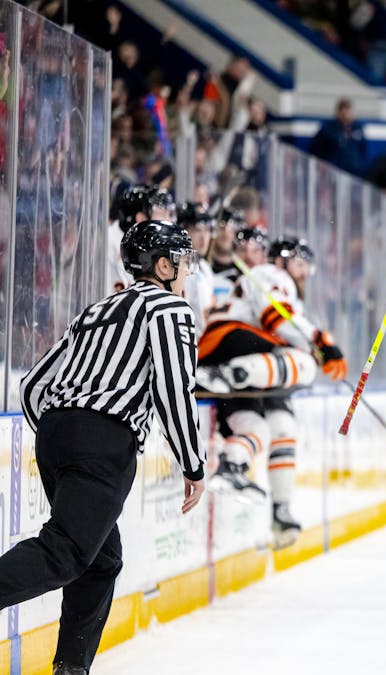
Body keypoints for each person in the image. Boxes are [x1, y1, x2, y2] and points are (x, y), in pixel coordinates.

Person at [2, 220, 205, 675]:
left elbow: (34, 386)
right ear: (162, 265)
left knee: (100, 558)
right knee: (66, 552)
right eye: (183, 261)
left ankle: (71, 666)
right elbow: (175, 388)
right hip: (105, 441)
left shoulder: (96, 310)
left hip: (55, 432)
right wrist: (192, 463)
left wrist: (64, 432)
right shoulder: (170, 311)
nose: (188, 271)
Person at [198, 237, 346, 547]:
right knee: (303, 365)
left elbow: (283, 322)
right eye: (299, 263)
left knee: (276, 426)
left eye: (308, 265)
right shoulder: (272, 275)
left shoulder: (273, 279)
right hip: (230, 342)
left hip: (248, 358)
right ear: (281, 261)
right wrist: (320, 341)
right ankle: (223, 375)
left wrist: (315, 342)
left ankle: (238, 469)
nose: (304, 272)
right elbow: (275, 316)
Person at [179, 201, 216, 334]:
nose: (203, 237)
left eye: (207, 230)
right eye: (197, 230)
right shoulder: (178, 269)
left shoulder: (206, 268)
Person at [309, 98, 368, 175]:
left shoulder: (358, 128)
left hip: (354, 172)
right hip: (333, 172)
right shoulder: (327, 128)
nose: (347, 115)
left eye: (349, 111)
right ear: (338, 112)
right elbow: (316, 149)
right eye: (344, 112)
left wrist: (360, 166)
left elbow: (363, 150)